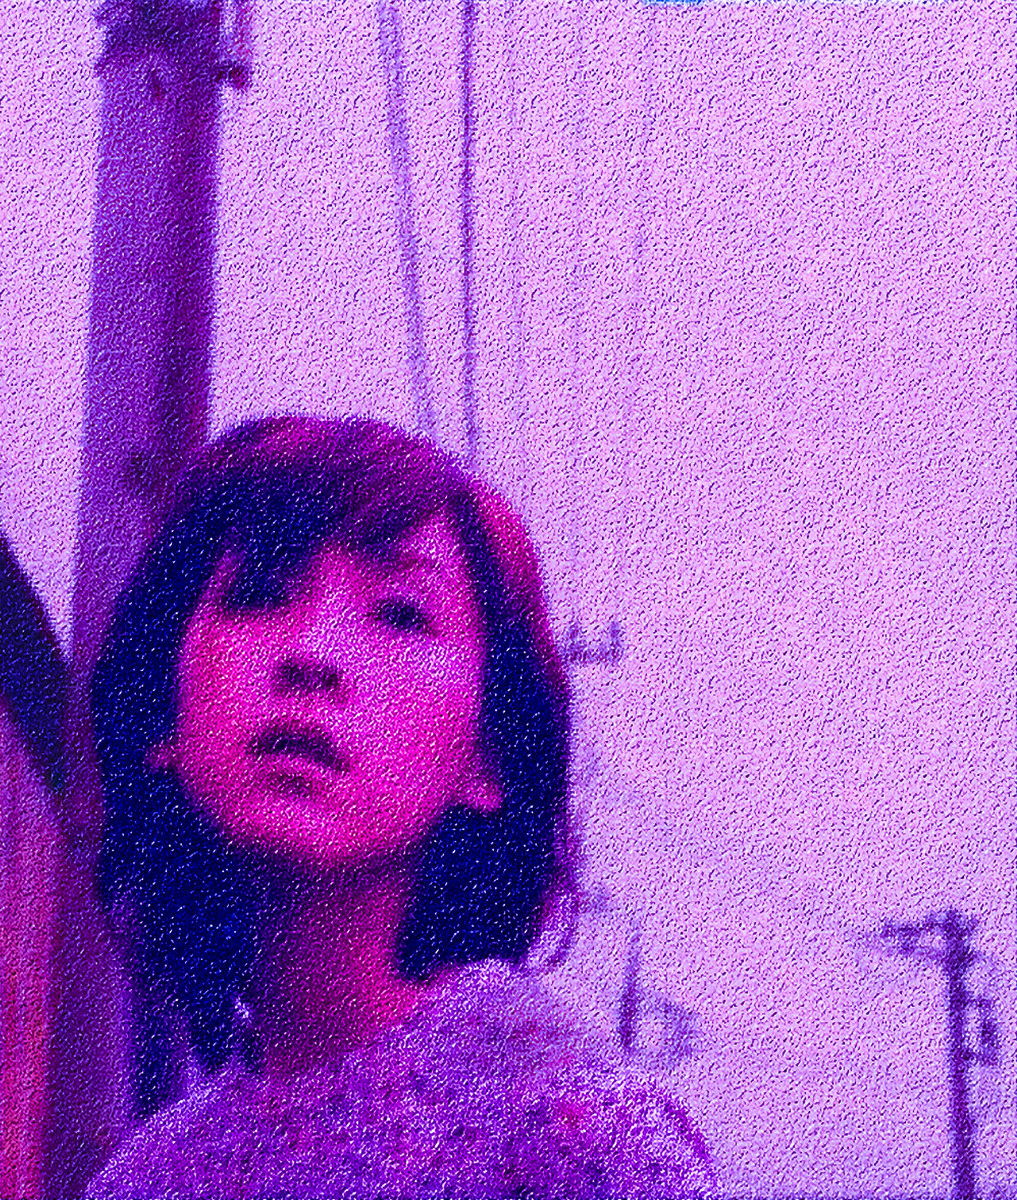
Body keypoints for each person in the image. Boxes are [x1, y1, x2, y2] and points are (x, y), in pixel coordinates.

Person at [86, 414, 716, 1198]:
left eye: (401, 614)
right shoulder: (148, 1177)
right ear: (161, 714)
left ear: (488, 754)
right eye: (259, 594)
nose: (312, 653)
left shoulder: (575, 1136)